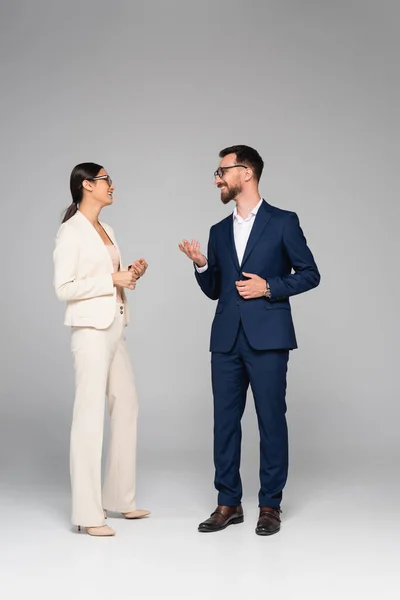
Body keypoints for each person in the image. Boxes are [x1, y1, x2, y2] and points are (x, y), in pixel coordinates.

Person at [179, 145, 320, 536]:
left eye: (221, 171)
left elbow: (310, 274)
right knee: (225, 423)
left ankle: (270, 505)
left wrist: (269, 286)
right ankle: (228, 502)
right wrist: (202, 264)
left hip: (269, 338)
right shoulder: (218, 231)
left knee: (271, 422)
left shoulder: (283, 222)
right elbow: (214, 290)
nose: (216, 178)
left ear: (246, 172)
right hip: (225, 340)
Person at [53, 162, 150, 536]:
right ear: (88, 185)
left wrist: (129, 276)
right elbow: (64, 288)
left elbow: (111, 279)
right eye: (107, 180)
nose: (113, 186)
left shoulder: (106, 228)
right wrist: (112, 277)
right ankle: (88, 513)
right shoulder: (70, 232)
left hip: (115, 324)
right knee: (89, 417)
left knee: (126, 404)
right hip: (90, 332)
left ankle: (119, 498)